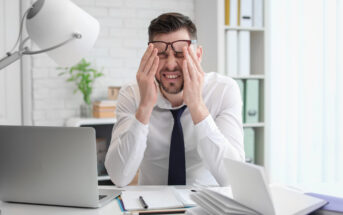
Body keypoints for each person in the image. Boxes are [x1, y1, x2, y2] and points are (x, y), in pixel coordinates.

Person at [105, 12, 244, 187]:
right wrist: (145, 107)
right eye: (161, 54)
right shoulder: (132, 94)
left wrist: (197, 106)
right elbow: (119, 177)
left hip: (207, 206)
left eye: (180, 53)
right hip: (151, 208)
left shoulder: (223, 90)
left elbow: (233, 179)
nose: (170, 64)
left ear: (198, 55)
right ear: (148, 56)